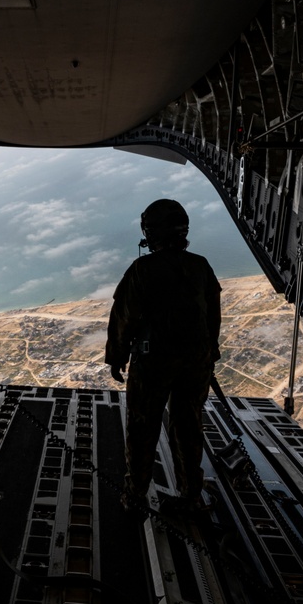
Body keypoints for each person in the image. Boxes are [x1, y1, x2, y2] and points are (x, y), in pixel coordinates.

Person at [105, 199, 221, 513]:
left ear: (150, 232)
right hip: (196, 363)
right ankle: (190, 494)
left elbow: (124, 316)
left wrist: (117, 357)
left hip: (153, 362)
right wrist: (210, 355)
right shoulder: (200, 266)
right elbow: (212, 316)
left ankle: (135, 494)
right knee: (188, 427)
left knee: (142, 429)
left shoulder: (142, 269)